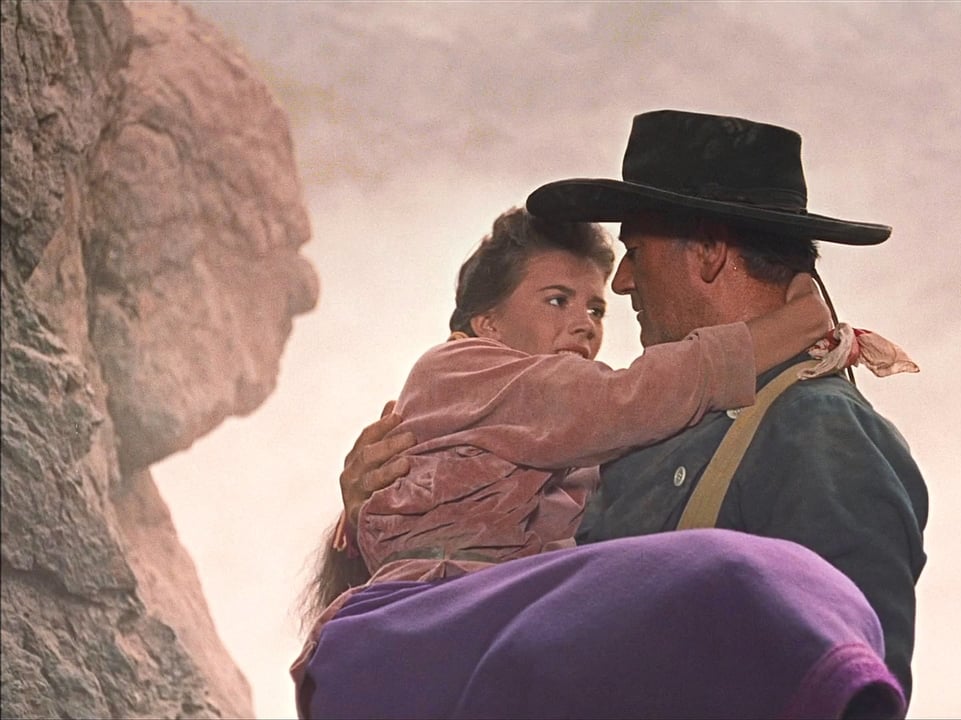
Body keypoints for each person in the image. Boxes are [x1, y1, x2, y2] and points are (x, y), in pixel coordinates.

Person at [344, 110, 928, 704]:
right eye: (557, 299)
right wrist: (376, 514)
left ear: (709, 250)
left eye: (636, 251)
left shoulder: (817, 428)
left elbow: (850, 682)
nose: (622, 283)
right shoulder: (642, 425)